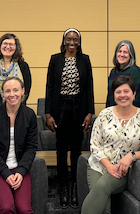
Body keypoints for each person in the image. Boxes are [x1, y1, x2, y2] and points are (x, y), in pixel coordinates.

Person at [81, 75, 140, 214]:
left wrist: (132, 156)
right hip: (98, 165)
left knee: (103, 186)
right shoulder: (104, 115)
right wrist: (108, 166)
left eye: (126, 91)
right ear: (113, 95)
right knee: (103, 206)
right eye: (118, 92)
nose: (122, 95)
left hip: (123, 169)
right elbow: (94, 145)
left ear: (134, 94)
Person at [45, 28, 95, 208]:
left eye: (75, 39)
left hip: (78, 109)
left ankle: (74, 187)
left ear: (79, 42)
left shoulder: (85, 60)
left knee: (76, 150)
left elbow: (89, 87)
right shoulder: (55, 59)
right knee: (61, 150)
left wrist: (90, 112)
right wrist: (48, 114)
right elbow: (50, 86)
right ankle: (62, 189)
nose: (72, 42)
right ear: (64, 40)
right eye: (69, 39)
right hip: (60, 108)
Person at [0, 77, 38, 214]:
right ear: (2, 93)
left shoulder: (29, 115)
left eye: (16, 90)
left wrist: (21, 171)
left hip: (20, 169)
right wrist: (6, 173)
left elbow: (31, 148)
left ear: (23, 91)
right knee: (6, 207)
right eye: (8, 91)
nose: (12, 94)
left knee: (24, 209)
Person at [0, 33, 32, 126]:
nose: (8, 47)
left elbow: (26, 90)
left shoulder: (23, 66)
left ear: (16, 48)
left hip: (17, 111)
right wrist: (2, 109)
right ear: (0, 46)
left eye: (11, 44)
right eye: (5, 44)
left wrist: (12, 108)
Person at [106, 40, 140, 109]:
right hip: (114, 114)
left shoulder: (135, 71)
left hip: (130, 114)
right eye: (119, 51)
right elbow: (110, 96)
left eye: (125, 52)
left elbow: (138, 98)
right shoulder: (113, 71)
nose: (121, 54)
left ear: (131, 55)